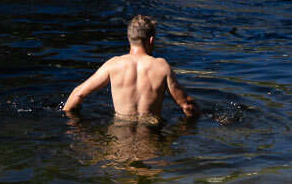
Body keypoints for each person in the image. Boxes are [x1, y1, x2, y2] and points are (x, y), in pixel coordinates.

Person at [63, 15, 196, 122]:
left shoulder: (113, 64)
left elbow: (78, 94)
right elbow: (187, 105)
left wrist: (70, 120)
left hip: (120, 139)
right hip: (150, 139)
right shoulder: (161, 67)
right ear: (151, 40)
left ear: (129, 38)